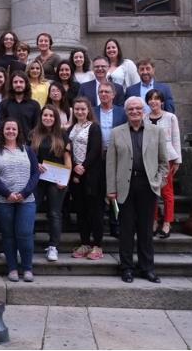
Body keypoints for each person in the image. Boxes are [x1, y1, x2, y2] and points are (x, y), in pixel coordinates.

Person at [107, 97, 168, 284]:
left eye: (138, 108)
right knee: (126, 230)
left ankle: (147, 268)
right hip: (124, 186)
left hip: (147, 186)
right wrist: (111, 190)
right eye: (131, 109)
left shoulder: (156, 132)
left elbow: (164, 163)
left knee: (145, 230)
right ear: (126, 112)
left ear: (144, 110)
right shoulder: (117, 133)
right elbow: (111, 164)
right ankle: (126, 268)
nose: (134, 111)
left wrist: (157, 183)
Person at [0, 118, 41, 282]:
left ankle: (27, 268)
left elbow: (36, 173)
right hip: (3, 200)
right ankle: (12, 268)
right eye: (7, 128)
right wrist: (6, 192)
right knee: (8, 235)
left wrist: (24, 193)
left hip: (27, 199)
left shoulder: (27, 150)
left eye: (13, 129)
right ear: (3, 131)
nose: (10, 131)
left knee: (25, 233)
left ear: (18, 131)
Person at [30, 105, 71, 262]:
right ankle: (27, 243)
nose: (48, 118)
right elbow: (29, 156)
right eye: (45, 115)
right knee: (30, 210)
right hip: (38, 179)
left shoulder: (62, 134)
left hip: (57, 179)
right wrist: (35, 164)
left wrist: (65, 179)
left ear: (55, 118)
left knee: (54, 213)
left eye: (51, 116)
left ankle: (53, 246)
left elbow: (67, 159)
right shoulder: (34, 134)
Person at [68, 97, 105, 261]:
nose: (80, 112)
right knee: (81, 211)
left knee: (94, 211)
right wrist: (75, 166)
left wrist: (83, 166)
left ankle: (97, 245)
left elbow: (95, 150)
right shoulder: (71, 128)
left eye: (83, 109)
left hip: (92, 176)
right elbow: (68, 149)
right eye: (77, 109)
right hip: (76, 176)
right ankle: (84, 243)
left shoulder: (94, 127)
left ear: (88, 110)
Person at [144, 89, 182, 238]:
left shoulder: (170, 117)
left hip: (167, 158)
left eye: (156, 98)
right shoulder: (144, 118)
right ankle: (154, 221)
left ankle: (167, 222)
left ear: (162, 101)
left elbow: (175, 138)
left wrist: (178, 160)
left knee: (166, 191)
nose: (153, 101)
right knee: (152, 191)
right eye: (150, 99)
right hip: (149, 159)